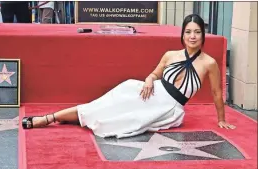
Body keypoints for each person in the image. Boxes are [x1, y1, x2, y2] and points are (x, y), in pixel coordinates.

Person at [22, 14, 236, 138]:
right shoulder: (170, 54)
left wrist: (221, 119)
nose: (192, 36)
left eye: (197, 32)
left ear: (203, 34)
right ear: (182, 34)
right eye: (188, 31)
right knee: (98, 106)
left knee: (118, 121)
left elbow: (217, 93)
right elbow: (154, 74)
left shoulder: (209, 63)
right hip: (145, 92)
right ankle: (48, 118)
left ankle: (62, 119)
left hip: (169, 108)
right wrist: (150, 79)